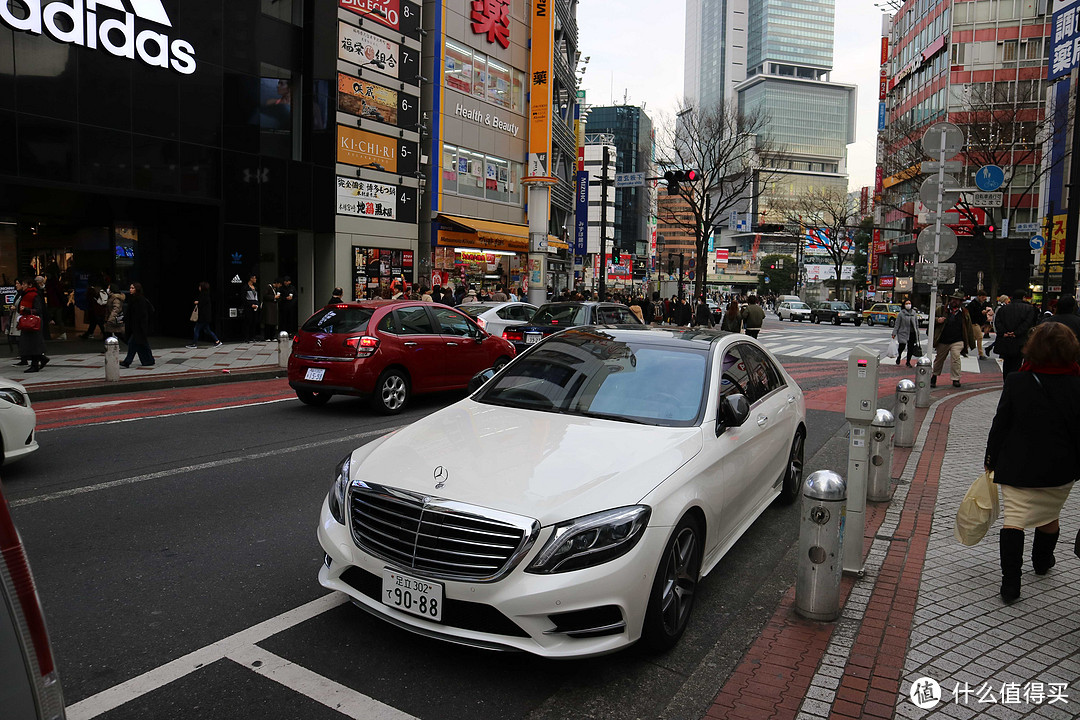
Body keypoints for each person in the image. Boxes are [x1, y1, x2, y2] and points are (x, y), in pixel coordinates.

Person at [984, 322, 1080, 602]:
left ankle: (1010, 584)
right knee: (1049, 514)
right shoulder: (1076, 383)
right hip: (1061, 468)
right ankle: (1042, 560)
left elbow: (1000, 424)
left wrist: (990, 457)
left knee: (1014, 519)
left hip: (1017, 464)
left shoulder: (1017, 380)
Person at [930, 290, 976, 388]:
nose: (955, 301)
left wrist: (970, 342)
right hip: (943, 340)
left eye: (957, 300)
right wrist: (937, 320)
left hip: (957, 340)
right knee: (939, 359)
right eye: (954, 299)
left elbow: (968, 328)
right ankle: (934, 376)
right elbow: (930, 320)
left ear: (961, 302)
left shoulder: (964, 313)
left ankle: (956, 379)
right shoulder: (942, 309)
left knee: (956, 358)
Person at [994, 289, 1039, 380]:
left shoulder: (1003, 309)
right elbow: (1028, 323)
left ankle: (1006, 380)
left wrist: (1004, 332)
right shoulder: (1029, 308)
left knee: (1007, 362)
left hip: (1006, 339)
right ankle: (1014, 381)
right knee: (1017, 362)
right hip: (1020, 339)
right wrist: (1016, 332)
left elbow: (997, 322)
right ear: (1023, 297)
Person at [15, 278, 48, 372]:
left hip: (33, 323)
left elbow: (38, 310)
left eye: (24, 284)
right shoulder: (24, 294)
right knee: (28, 344)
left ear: (30, 285)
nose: (23, 285)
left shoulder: (34, 295)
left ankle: (35, 365)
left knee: (33, 344)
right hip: (26, 323)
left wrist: (26, 309)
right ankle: (42, 359)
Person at [120, 282, 154, 368]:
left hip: (139, 327)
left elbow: (142, 315)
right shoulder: (133, 299)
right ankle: (149, 360)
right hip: (135, 327)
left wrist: (142, 326)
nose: (130, 289)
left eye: (132, 288)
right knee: (142, 344)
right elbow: (130, 313)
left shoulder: (140, 300)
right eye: (130, 288)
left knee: (132, 343)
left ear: (137, 289)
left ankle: (127, 361)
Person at [188, 281, 222, 349]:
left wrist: (197, 302)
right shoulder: (207, 294)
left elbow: (201, 304)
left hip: (203, 316)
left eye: (200, 286)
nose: (199, 288)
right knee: (207, 330)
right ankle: (217, 341)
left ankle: (194, 344)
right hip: (206, 317)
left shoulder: (203, 295)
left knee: (196, 329)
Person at [891, 300, 920, 367]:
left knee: (910, 348)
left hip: (912, 333)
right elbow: (897, 324)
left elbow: (916, 324)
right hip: (903, 333)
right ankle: (899, 356)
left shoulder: (914, 313)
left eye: (909, 303)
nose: (908, 305)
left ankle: (908, 362)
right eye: (907, 303)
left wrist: (917, 333)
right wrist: (894, 333)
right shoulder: (901, 314)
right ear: (904, 305)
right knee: (902, 346)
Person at [967, 291, 990, 357]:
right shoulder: (973, 304)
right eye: (982, 297)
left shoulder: (980, 304)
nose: (983, 299)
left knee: (974, 338)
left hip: (977, 323)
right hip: (974, 323)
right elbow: (971, 315)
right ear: (978, 296)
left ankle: (964, 349)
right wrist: (981, 313)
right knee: (979, 337)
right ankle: (981, 353)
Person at [242, 274, 260, 342]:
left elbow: (257, 297)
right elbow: (243, 298)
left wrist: (257, 304)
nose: (255, 280)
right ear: (251, 279)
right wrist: (250, 305)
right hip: (249, 306)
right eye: (254, 278)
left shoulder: (255, 287)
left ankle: (252, 336)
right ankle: (247, 337)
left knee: (254, 321)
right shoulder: (245, 287)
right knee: (248, 321)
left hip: (255, 305)